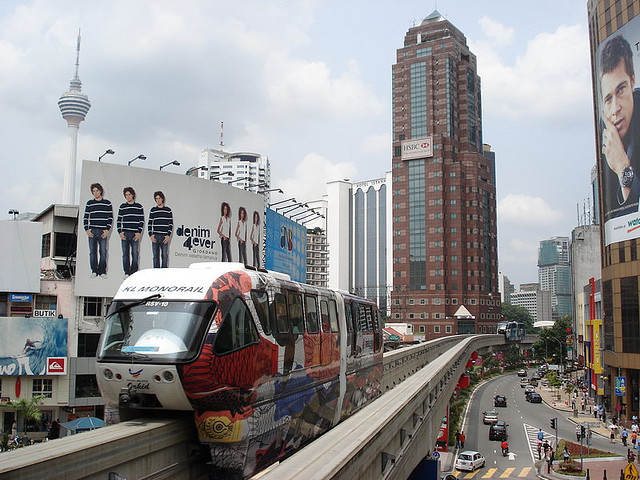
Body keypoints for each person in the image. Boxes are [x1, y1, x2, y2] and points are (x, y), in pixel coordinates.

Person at [599, 34, 640, 220]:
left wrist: (623, 167)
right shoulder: (605, 135)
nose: (615, 109)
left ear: (632, 81)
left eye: (621, 89)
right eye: (608, 99)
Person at [83, 183, 113, 278]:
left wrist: (107, 230)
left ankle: (102, 271)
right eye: (93, 191)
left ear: (101, 191)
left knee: (103, 251)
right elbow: (85, 217)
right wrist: (87, 229)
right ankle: (94, 270)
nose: (95, 193)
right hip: (92, 231)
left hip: (103, 231)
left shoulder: (107, 203)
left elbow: (110, 217)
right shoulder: (89, 203)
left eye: (97, 190)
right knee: (92, 252)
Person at [117, 187, 144, 276]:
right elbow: (119, 220)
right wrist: (120, 232)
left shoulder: (139, 207)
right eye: (126, 195)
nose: (128, 196)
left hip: (135, 233)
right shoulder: (122, 206)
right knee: (125, 254)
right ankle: (126, 272)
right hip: (125, 233)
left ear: (133, 195)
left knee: (135, 254)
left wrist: (139, 232)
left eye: (129, 194)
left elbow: (142, 221)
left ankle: (134, 272)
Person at [148, 191, 173, 268]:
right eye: (156, 199)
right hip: (155, 236)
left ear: (162, 199)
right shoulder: (153, 210)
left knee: (164, 256)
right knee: (155, 256)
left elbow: (170, 224)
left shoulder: (168, 210)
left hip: (164, 236)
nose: (158, 200)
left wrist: (168, 235)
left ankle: (164, 273)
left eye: (159, 198)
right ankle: (156, 273)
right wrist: (151, 235)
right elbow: (149, 223)